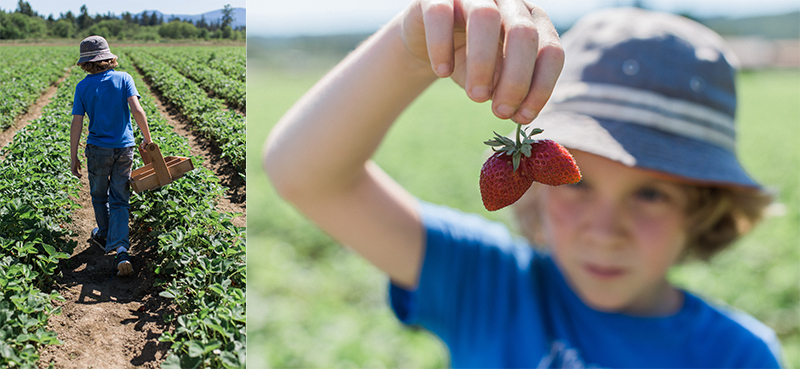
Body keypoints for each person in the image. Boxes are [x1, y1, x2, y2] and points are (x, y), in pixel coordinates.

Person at [263, 1, 784, 367]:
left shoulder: (737, 355)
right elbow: (306, 176)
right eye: (577, 184)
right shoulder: (489, 283)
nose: (605, 231)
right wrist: (412, 54)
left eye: (651, 194)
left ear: (703, 208)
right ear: (534, 186)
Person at [70, 35, 153, 277]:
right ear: (109, 57)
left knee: (98, 194)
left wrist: (73, 155)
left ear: (85, 63)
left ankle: (104, 233)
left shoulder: (83, 86)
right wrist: (148, 141)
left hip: (97, 149)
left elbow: (77, 124)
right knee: (120, 198)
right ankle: (121, 250)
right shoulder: (124, 78)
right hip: (124, 147)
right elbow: (137, 110)